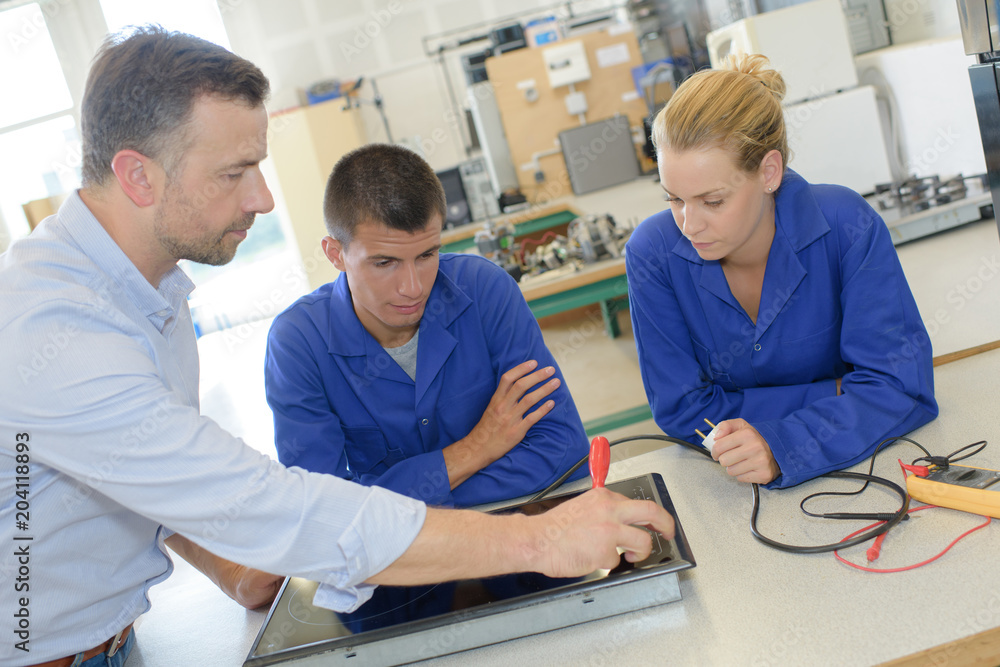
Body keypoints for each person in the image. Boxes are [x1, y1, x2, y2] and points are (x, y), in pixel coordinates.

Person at [0, 26, 673, 667]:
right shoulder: (54, 329)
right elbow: (286, 509)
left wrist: (231, 563)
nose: (264, 198)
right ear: (138, 175)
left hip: (107, 640)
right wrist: (538, 535)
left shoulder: (152, 296)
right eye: (235, 172)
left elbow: (140, 469)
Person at [625, 53, 937, 488]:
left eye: (713, 201)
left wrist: (783, 444)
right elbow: (681, 410)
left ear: (769, 172)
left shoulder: (847, 226)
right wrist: (836, 392)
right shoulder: (652, 254)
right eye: (674, 199)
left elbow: (900, 387)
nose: (689, 225)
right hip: (729, 484)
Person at [264, 143, 588, 508]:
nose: (413, 288)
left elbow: (563, 451)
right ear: (335, 254)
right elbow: (322, 509)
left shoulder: (485, 290)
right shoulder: (298, 343)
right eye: (384, 263)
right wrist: (475, 449)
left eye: (426, 255)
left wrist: (389, 499)